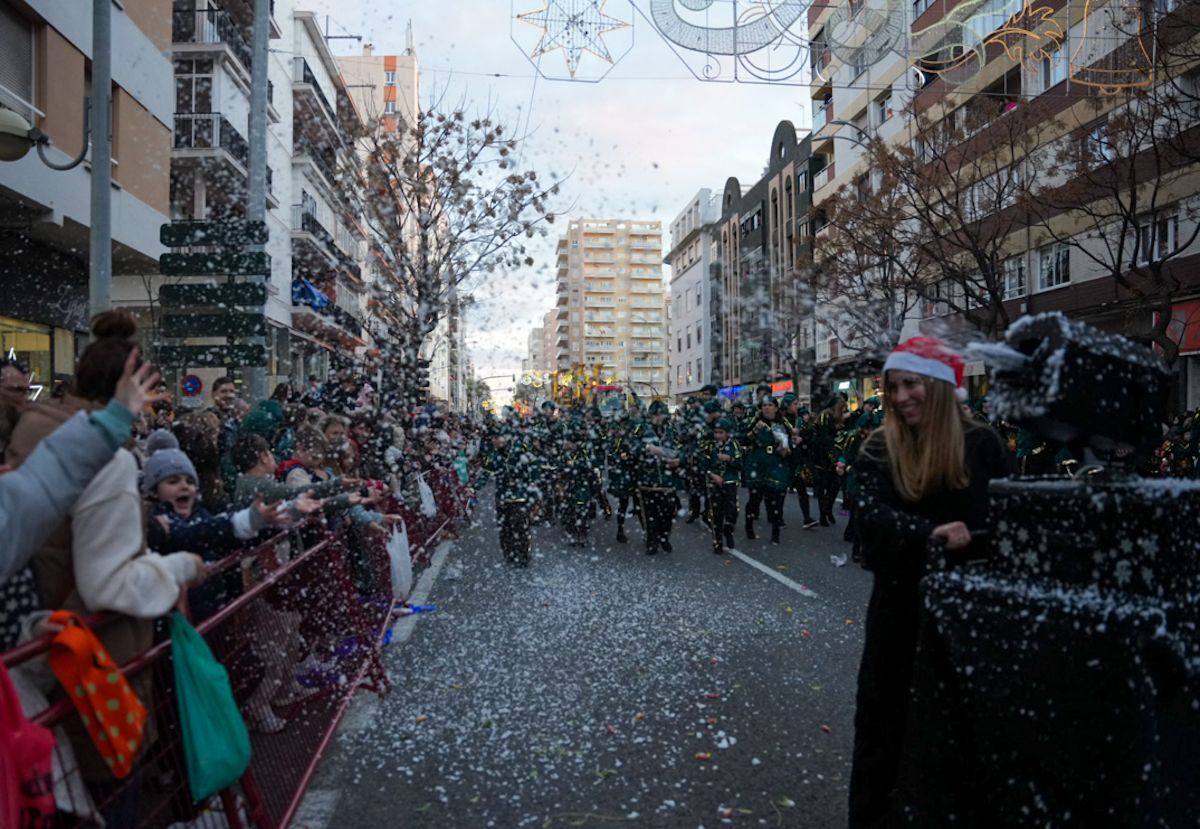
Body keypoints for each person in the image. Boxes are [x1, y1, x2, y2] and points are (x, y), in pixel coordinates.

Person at [848, 337, 1011, 828]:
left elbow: (1004, 530)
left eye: (911, 384)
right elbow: (869, 523)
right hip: (898, 616)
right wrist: (929, 535)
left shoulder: (981, 445)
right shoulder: (879, 448)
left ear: (938, 387)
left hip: (963, 623)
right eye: (893, 386)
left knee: (955, 743)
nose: (900, 397)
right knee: (885, 738)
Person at [0, 349, 159, 585]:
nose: (23, 400)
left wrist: (30, 622)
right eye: (15, 391)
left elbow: (41, 484)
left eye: (26, 391)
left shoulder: (32, 427)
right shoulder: (38, 428)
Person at [631, 400, 681, 555]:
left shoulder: (671, 430)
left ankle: (664, 537)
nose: (660, 418)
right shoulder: (641, 428)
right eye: (657, 414)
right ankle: (651, 541)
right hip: (648, 478)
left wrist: (678, 460)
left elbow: (681, 448)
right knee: (650, 513)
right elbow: (631, 446)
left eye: (662, 414)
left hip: (667, 479)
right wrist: (647, 448)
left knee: (668, 512)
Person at [744, 397, 795, 544]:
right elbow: (743, 440)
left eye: (770, 405)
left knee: (777, 501)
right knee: (755, 500)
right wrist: (754, 431)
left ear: (776, 408)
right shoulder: (754, 422)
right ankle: (749, 526)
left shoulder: (782, 424)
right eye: (764, 405)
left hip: (776, 465)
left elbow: (789, 447)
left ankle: (775, 532)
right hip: (758, 465)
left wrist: (785, 449)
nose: (767, 408)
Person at [703, 417, 742, 555]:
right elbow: (704, 465)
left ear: (727, 433)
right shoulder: (710, 446)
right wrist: (712, 475)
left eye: (721, 432)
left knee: (732, 511)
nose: (718, 435)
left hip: (730, 482)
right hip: (714, 483)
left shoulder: (734, 445)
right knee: (716, 514)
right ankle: (717, 542)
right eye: (716, 432)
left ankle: (728, 529)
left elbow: (740, 464)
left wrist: (729, 459)